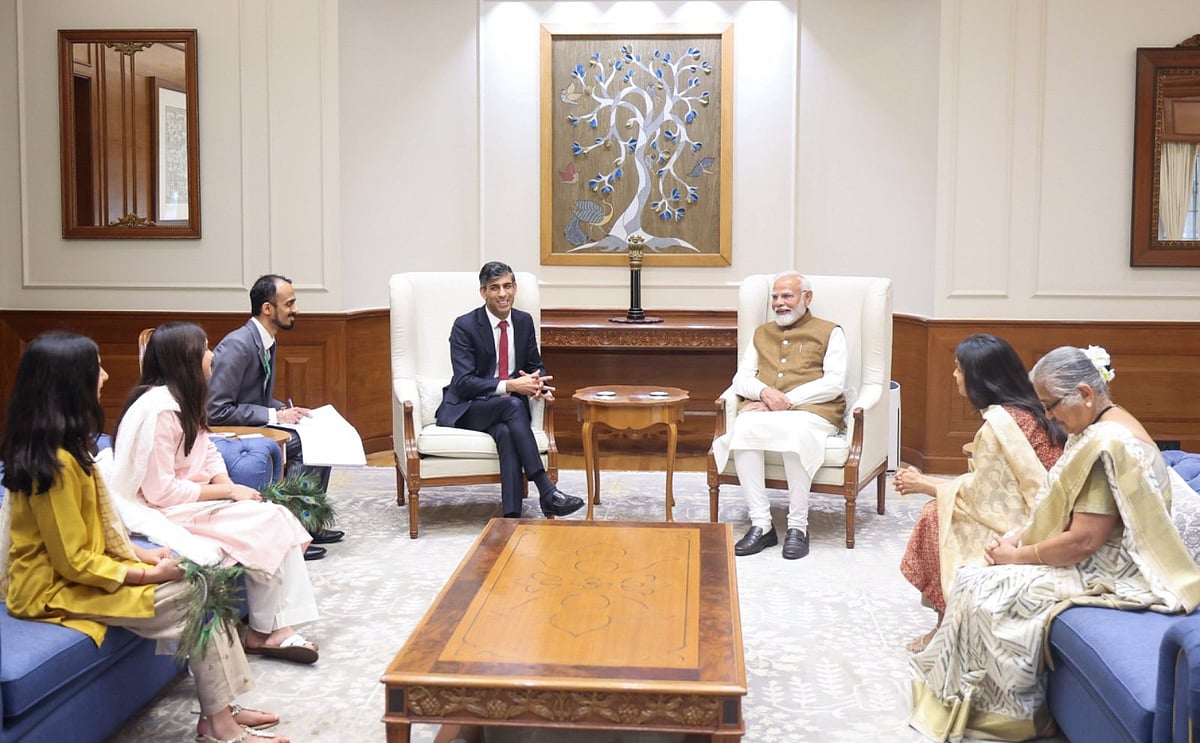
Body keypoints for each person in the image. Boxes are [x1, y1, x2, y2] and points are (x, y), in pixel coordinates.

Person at [0, 333, 289, 743]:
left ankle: (220, 712)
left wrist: (141, 554)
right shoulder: (54, 466)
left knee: (205, 582)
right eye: (96, 368)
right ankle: (220, 726)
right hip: (50, 589)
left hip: (77, 576)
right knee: (196, 596)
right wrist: (148, 576)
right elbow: (73, 561)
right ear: (71, 383)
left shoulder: (71, 450)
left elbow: (96, 531)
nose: (105, 375)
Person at [909, 345, 1200, 742]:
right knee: (972, 577)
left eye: (1050, 405)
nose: (1048, 417)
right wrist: (1019, 536)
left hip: (1113, 568)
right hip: (1096, 552)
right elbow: (1059, 504)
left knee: (990, 592)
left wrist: (1018, 556)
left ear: (1085, 393)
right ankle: (965, 696)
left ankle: (1020, 716)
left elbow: (1084, 540)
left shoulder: (1109, 444)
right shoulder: (1100, 424)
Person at [112, 322, 321, 665]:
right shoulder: (159, 412)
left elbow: (207, 450)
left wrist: (230, 489)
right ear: (186, 359)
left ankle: (270, 629)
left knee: (276, 516)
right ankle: (270, 632)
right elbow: (160, 491)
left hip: (194, 500)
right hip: (165, 509)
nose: (212, 355)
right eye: (206, 349)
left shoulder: (184, 398)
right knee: (269, 520)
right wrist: (226, 492)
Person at [896, 334, 1064, 653]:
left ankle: (945, 626)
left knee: (936, 516)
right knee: (940, 508)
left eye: (959, 369)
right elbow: (993, 484)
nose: (954, 375)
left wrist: (925, 484)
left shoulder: (1000, 424)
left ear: (980, 378)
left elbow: (983, 499)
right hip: (1045, 509)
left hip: (1033, 521)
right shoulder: (1030, 410)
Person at [206, 273, 344, 555]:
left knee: (321, 435)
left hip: (251, 424)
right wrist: (275, 416)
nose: (296, 310)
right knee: (303, 444)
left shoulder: (266, 340)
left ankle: (310, 522)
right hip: (229, 432)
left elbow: (254, 398)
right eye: (289, 303)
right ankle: (293, 535)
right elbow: (216, 410)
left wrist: (284, 410)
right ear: (267, 308)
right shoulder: (237, 345)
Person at [712, 271, 846, 560]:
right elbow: (742, 379)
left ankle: (798, 527)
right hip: (766, 407)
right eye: (775, 297)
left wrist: (785, 401)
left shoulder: (831, 331)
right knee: (744, 427)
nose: (779, 303)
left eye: (787, 296)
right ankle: (761, 524)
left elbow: (834, 383)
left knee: (793, 433)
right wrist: (763, 393)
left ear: (806, 298)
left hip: (814, 410)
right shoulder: (761, 333)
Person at [436, 261, 584, 519]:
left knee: (506, 429)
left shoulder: (523, 322)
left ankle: (512, 517)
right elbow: (463, 382)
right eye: (495, 288)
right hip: (469, 407)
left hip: (507, 411)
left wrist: (537, 382)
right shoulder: (465, 325)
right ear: (483, 292)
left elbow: (534, 365)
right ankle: (546, 489)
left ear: (515, 288)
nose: (502, 294)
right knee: (513, 404)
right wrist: (510, 385)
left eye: (507, 286)